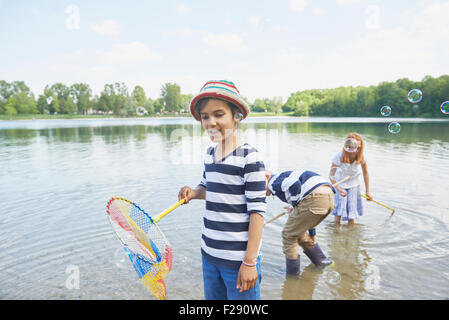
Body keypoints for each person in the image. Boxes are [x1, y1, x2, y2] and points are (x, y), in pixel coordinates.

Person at [178, 80, 266, 300]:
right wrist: (194, 192)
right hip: (209, 253)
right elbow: (208, 186)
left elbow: (257, 212)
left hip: (238, 260)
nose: (211, 122)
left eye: (218, 114)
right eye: (205, 117)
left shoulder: (249, 157)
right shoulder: (210, 153)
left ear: (236, 116)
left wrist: (249, 262)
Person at [265, 170, 335, 277]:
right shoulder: (282, 179)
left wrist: (294, 204)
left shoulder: (273, 183)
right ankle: (322, 261)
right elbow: (307, 218)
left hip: (314, 196)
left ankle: (292, 277)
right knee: (298, 231)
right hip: (328, 197)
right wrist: (312, 234)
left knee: (288, 235)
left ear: (267, 176)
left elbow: (294, 184)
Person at [329, 132, 372, 226]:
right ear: (347, 145)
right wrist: (339, 190)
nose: (355, 149)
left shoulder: (362, 157)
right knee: (339, 212)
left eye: (358, 147)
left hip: (354, 185)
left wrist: (367, 191)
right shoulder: (339, 157)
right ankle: (336, 233)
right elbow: (331, 175)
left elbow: (365, 173)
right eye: (352, 146)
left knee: (352, 211)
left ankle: (351, 233)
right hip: (340, 184)